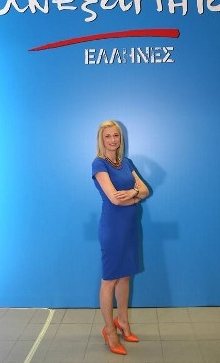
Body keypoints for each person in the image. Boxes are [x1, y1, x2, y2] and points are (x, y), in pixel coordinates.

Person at [91, 120, 150, 355]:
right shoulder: (98, 164)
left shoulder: (126, 162)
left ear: (120, 138)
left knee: (125, 277)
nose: (113, 140)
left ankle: (123, 322)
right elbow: (115, 199)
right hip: (113, 229)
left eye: (116, 135)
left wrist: (134, 192)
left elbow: (145, 189)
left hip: (130, 227)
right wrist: (136, 197)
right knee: (110, 280)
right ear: (101, 139)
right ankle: (109, 330)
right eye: (108, 136)